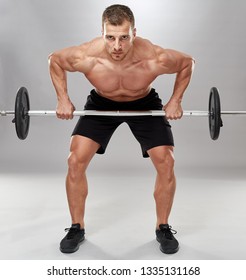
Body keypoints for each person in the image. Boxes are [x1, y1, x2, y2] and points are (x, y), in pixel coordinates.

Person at [48, 4, 194, 255]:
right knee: (75, 160)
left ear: (134, 33)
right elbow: (55, 61)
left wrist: (175, 100)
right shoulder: (86, 56)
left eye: (124, 37)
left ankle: (163, 227)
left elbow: (187, 63)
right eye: (111, 37)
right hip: (101, 104)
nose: (117, 46)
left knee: (166, 161)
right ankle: (76, 227)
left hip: (144, 104)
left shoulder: (153, 57)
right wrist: (62, 98)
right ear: (102, 33)